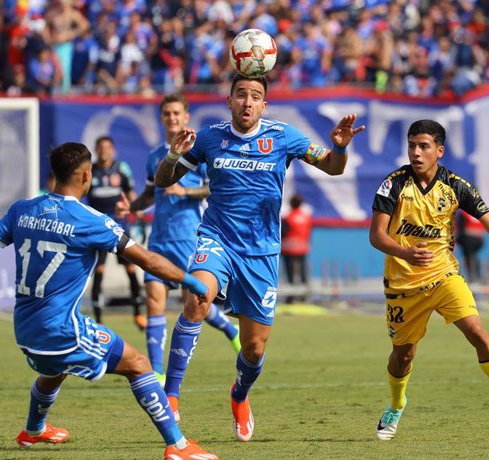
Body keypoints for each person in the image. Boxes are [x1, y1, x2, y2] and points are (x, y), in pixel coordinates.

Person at [0, 142, 217, 460]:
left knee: (55, 369)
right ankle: (178, 446)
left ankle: (34, 431)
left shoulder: (23, 209)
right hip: (61, 330)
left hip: (24, 330)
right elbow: (147, 260)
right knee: (139, 364)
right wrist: (190, 280)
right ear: (86, 175)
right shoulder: (91, 221)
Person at [155, 74, 364, 441]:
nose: (247, 102)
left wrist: (341, 148)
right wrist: (173, 154)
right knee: (196, 297)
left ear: (264, 105)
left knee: (253, 348)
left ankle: (239, 395)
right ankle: (170, 396)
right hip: (216, 238)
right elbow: (162, 180)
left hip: (261, 252)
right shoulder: (209, 138)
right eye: (241, 95)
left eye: (255, 97)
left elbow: (332, 166)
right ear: (229, 101)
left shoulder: (284, 137)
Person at [369, 119, 489, 441]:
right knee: (403, 354)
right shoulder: (394, 184)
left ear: (439, 150)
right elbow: (376, 236)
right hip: (403, 283)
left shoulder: (456, 185)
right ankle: (396, 405)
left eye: (424, 146)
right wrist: (405, 253)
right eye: (412, 145)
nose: (416, 152)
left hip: (444, 276)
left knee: (479, 333)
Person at [115, 93, 241, 390]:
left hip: (190, 238)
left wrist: (186, 193)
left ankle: (229, 329)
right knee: (154, 301)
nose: (172, 118)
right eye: (167, 114)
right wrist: (130, 207)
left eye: (176, 113)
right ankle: (157, 373)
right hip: (159, 240)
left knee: (195, 302)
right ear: (162, 118)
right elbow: (150, 194)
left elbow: (216, 187)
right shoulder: (154, 155)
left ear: (186, 117)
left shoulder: (199, 151)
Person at [87, 136, 144, 327]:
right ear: (96, 149)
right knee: (99, 270)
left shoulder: (121, 168)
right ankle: (98, 319)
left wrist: (137, 215)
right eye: (100, 147)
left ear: (112, 150)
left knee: (130, 267)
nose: (104, 151)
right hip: (98, 227)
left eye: (107, 147)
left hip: (120, 226)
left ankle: (138, 312)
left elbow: (130, 194)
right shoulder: (90, 170)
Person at [281, 194, 313, 304]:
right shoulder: (306, 217)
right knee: (302, 273)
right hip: (302, 247)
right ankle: (303, 297)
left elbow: (283, 232)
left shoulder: (288, 217)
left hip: (289, 248)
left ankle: (291, 297)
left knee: (291, 274)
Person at [455, 209, 485, 282]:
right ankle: (476, 275)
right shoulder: (480, 210)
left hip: (468, 238)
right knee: (473, 256)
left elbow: (460, 226)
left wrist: (456, 238)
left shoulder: (464, 213)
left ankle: (471, 276)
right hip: (479, 238)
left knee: (469, 257)